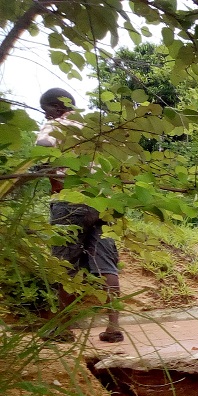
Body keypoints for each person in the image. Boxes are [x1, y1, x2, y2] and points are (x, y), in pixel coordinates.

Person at [36, 88, 124, 343]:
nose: (46, 115)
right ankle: (113, 327)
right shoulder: (93, 130)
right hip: (103, 203)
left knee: (63, 266)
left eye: (46, 110)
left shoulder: (56, 125)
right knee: (106, 264)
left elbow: (43, 146)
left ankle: (61, 328)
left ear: (54, 107)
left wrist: (49, 173)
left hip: (70, 202)